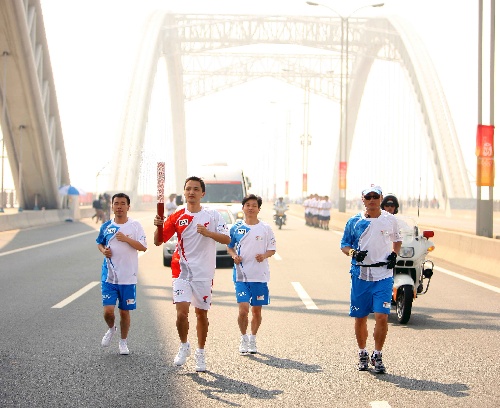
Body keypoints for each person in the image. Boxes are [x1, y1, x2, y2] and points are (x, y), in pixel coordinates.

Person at [153, 176, 230, 372]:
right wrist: (158, 225)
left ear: (202, 193)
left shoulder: (212, 215)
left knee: (201, 314)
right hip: (182, 270)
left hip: (203, 272)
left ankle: (201, 353)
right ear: (184, 192)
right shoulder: (177, 215)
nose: (192, 192)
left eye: (196, 189)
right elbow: (158, 241)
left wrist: (208, 233)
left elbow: (227, 238)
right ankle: (184, 345)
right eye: (188, 189)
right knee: (181, 313)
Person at [340, 184, 402, 374]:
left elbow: (397, 239)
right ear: (363, 200)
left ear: (381, 198)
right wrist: (353, 253)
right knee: (360, 318)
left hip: (383, 274)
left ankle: (377, 354)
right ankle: (362, 353)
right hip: (360, 274)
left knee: (382, 316)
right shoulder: (354, 222)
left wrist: (394, 254)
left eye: (376, 196)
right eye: (369, 197)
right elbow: (344, 245)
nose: (372, 200)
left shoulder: (390, 220)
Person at [96, 193, 148, 355]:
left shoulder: (135, 226)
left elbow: (143, 247)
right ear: (112, 206)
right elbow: (100, 243)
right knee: (108, 312)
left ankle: (123, 341)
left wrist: (126, 239)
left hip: (128, 277)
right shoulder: (106, 227)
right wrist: (104, 251)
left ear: (128, 206)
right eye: (116, 203)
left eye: (122, 203)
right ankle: (112, 329)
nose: (119, 206)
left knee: (124, 312)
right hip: (109, 276)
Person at [227, 194, 276, 355]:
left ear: (258, 209)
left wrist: (265, 255)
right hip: (241, 275)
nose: (250, 208)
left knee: (256, 311)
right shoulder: (236, 228)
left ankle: (253, 338)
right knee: (243, 309)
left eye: (254, 205)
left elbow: (272, 248)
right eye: (247, 205)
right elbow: (230, 247)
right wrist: (234, 256)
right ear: (243, 208)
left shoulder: (265, 228)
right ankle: (244, 337)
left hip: (259, 276)